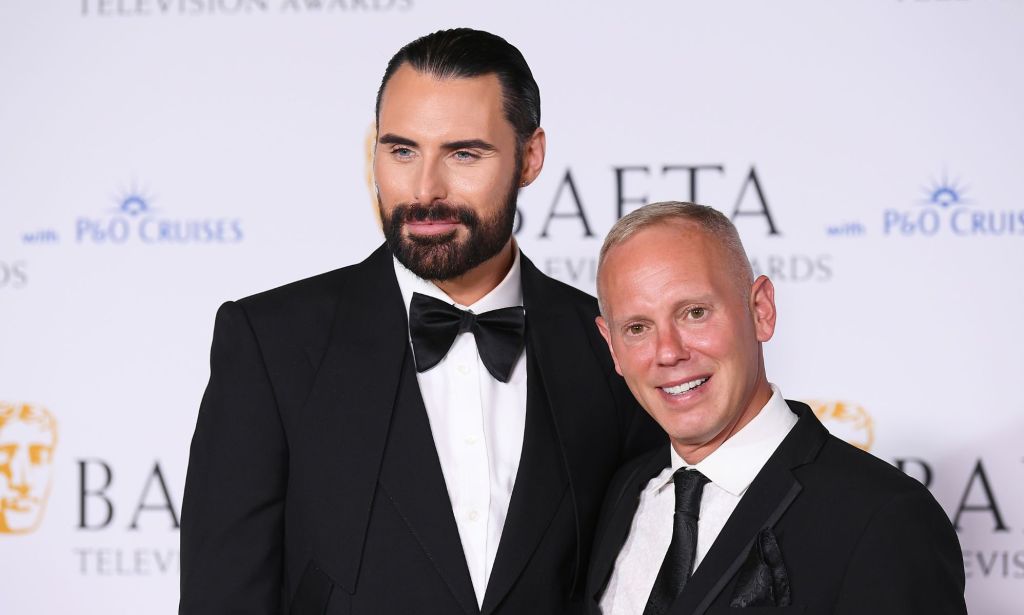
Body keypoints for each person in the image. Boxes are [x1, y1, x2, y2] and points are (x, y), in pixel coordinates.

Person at [178, 28, 662, 615]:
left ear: (530, 157)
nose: (426, 189)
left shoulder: (609, 344)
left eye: (463, 153)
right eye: (402, 151)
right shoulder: (271, 343)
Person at [588, 202, 966, 615]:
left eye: (695, 313)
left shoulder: (885, 518)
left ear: (761, 311)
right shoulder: (619, 492)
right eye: (638, 328)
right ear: (613, 347)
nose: (668, 352)